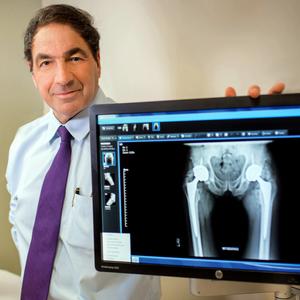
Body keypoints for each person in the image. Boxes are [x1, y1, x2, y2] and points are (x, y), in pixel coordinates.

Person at [5, 4, 285, 300]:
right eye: (46, 62)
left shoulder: (146, 145)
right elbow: (24, 235)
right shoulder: (24, 143)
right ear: (33, 71)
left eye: (74, 57)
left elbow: (207, 242)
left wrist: (259, 134)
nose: (62, 77)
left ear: (98, 61)